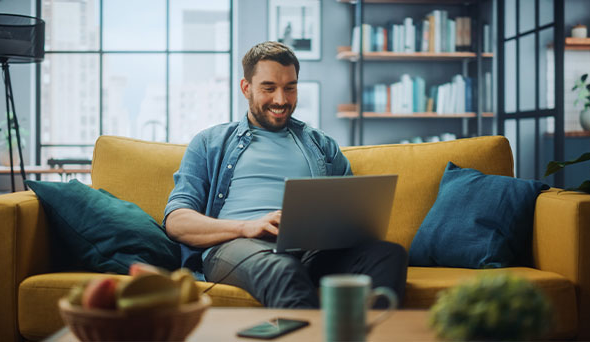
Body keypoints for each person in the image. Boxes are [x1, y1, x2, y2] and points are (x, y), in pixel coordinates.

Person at [164, 41, 408, 308]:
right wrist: (246, 227)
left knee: (388, 255)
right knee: (283, 269)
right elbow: (177, 221)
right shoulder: (210, 142)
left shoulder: (321, 144)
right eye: (269, 88)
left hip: (312, 252)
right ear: (246, 88)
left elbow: (352, 214)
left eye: (290, 88)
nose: (281, 100)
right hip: (238, 248)